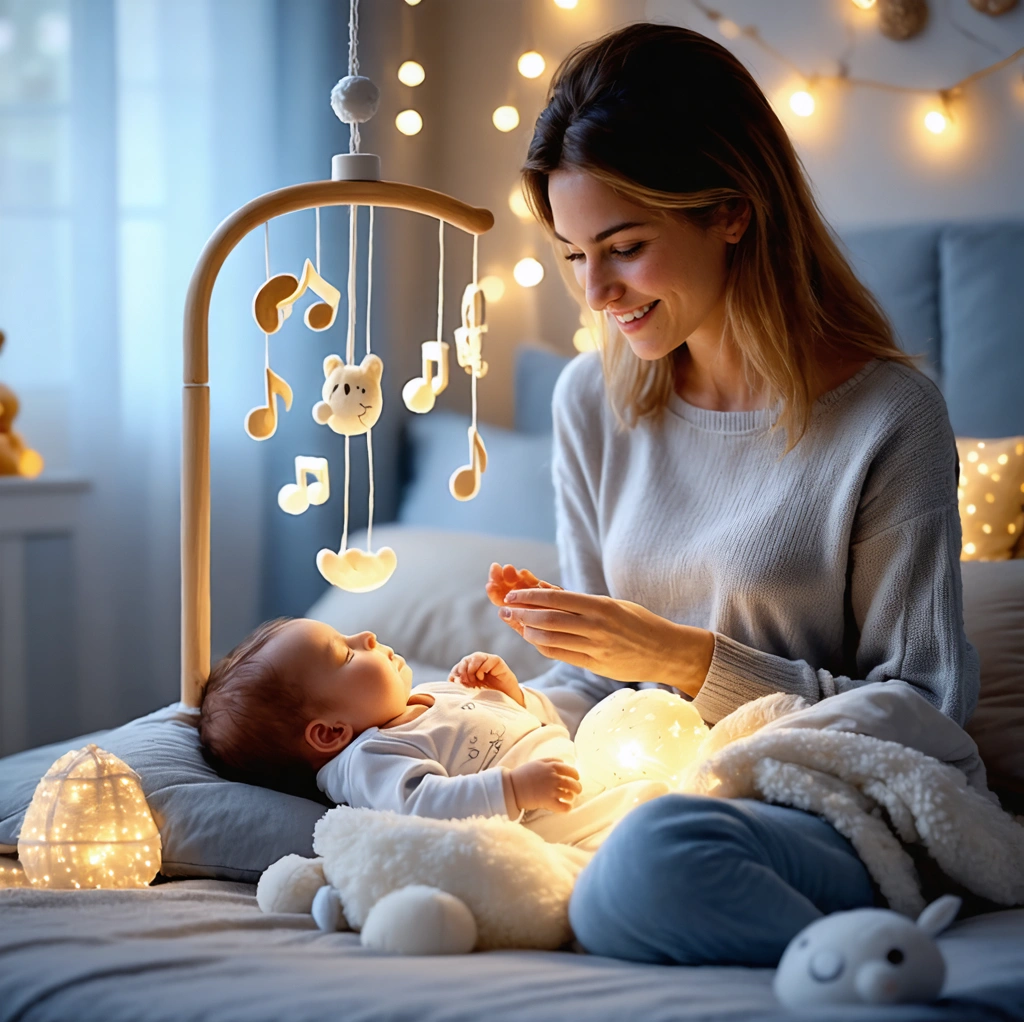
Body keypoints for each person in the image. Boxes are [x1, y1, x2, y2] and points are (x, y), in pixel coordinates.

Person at [491, 22, 979, 967]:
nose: (596, 292)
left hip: (826, 797)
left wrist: (686, 659)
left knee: (651, 858)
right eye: (573, 255)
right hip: (649, 775)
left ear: (730, 212)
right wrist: (490, 714)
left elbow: (922, 709)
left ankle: (877, 967)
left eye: (624, 247)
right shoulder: (590, 400)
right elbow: (596, 684)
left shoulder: (888, 416)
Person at [198, 617, 665, 853]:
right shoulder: (370, 759)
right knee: (649, 820)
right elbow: (424, 807)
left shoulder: (422, 695)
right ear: (330, 733)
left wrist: (511, 694)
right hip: (552, 824)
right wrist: (515, 789)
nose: (366, 637)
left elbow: (532, 726)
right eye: (346, 655)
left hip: (583, 771)